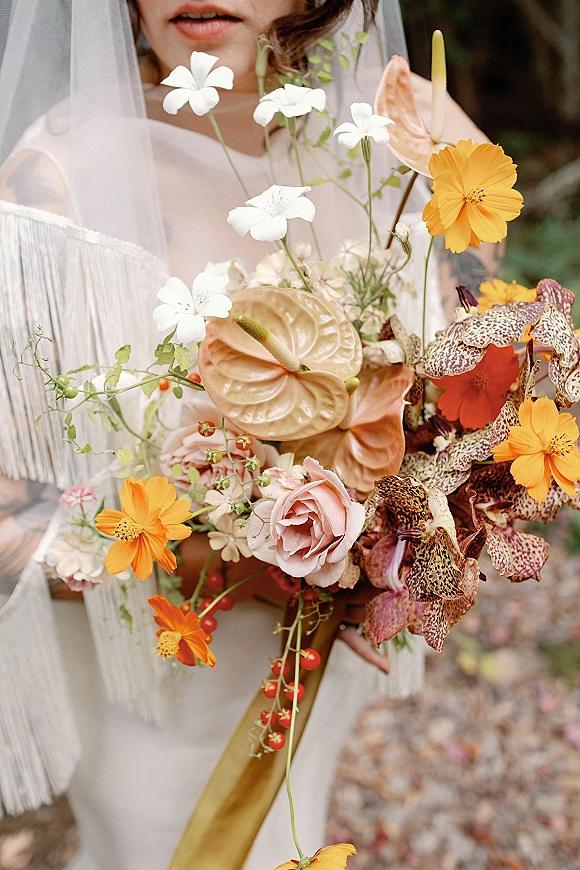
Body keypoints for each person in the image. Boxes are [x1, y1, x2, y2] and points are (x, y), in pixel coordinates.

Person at [0, 1, 502, 867]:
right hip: (155, 684)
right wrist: (243, 559)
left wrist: (406, 529)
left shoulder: (397, 130)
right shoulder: (60, 175)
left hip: (320, 663)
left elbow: (475, 372)